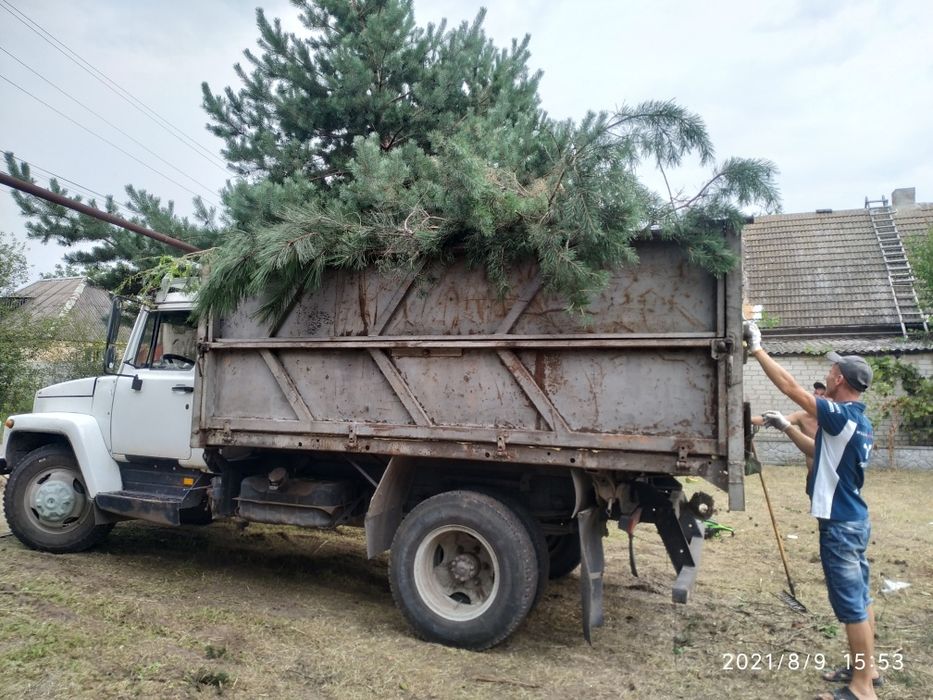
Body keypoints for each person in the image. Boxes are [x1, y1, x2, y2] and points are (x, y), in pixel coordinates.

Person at [744, 320, 878, 700]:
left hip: (840, 524)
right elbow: (821, 455)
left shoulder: (841, 414)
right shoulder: (860, 422)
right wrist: (787, 426)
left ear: (838, 379)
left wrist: (757, 348)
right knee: (863, 599)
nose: (828, 371)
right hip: (855, 520)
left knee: (851, 606)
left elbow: (790, 387)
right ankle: (868, 670)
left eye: (832, 369)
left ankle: (862, 689)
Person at [751, 382, 825, 477]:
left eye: (822, 395)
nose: (817, 397)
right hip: (813, 475)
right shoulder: (803, 416)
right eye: (816, 393)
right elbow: (772, 419)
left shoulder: (836, 419)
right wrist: (747, 419)